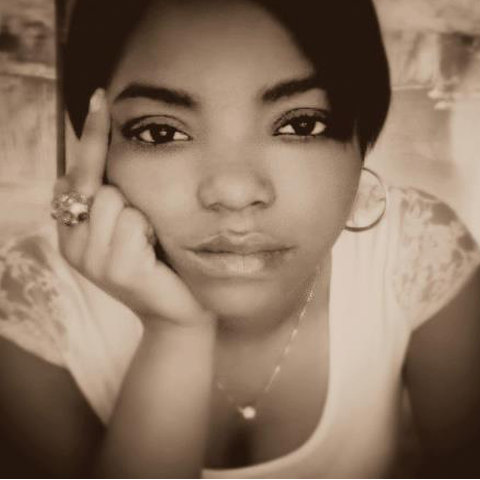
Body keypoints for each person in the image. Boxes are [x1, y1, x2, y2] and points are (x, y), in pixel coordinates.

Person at [1, 0, 480, 477]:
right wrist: (174, 333)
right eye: (161, 133)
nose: (235, 193)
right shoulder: (33, 306)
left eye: (300, 125)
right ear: (99, 150)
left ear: (361, 135)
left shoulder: (418, 253)